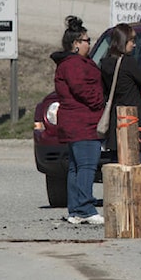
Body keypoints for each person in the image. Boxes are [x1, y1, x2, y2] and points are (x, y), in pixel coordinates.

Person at [51, 16, 105, 225]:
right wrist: (100, 101)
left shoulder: (73, 63)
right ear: (75, 44)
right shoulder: (74, 64)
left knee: (76, 167)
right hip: (82, 121)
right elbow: (82, 89)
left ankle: (75, 208)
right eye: (86, 40)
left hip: (77, 121)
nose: (89, 44)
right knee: (86, 166)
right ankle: (84, 208)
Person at [100, 23, 141, 155]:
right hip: (131, 121)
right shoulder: (128, 63)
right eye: (132, 41)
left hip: (116, 121)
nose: (135, 45)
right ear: (123, 41)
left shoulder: (105, 63)